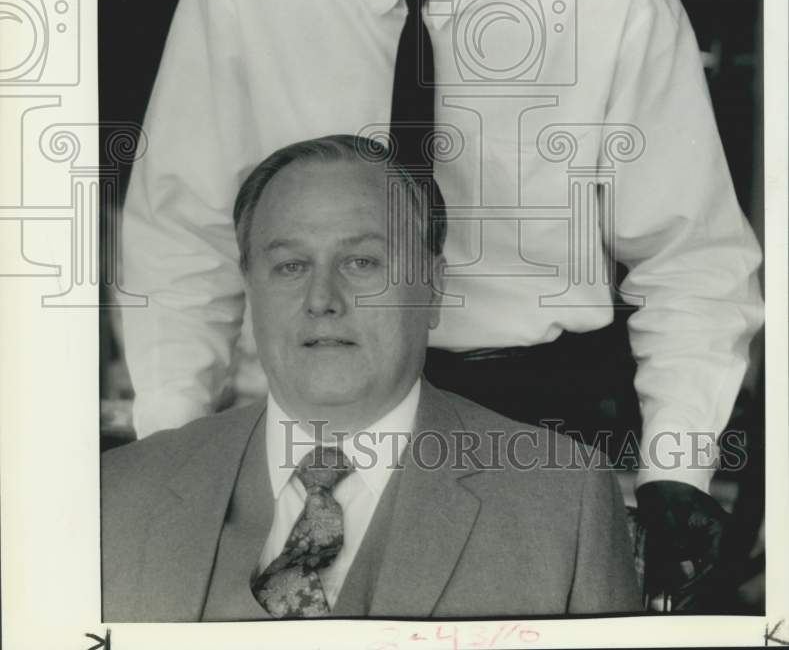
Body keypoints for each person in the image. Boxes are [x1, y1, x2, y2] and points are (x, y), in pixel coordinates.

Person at [119, 0, 763, 599]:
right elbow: (178, 232)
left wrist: (676, 469)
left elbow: (691, 261)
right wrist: (174, 452)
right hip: (296, 408)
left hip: (531, 421)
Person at [103, 135, 641, 621]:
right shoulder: (118, 493)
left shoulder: (562, 501)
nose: (322, 301)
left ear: (431, 287)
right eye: (290, 266)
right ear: (250, 288)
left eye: (362, 263)